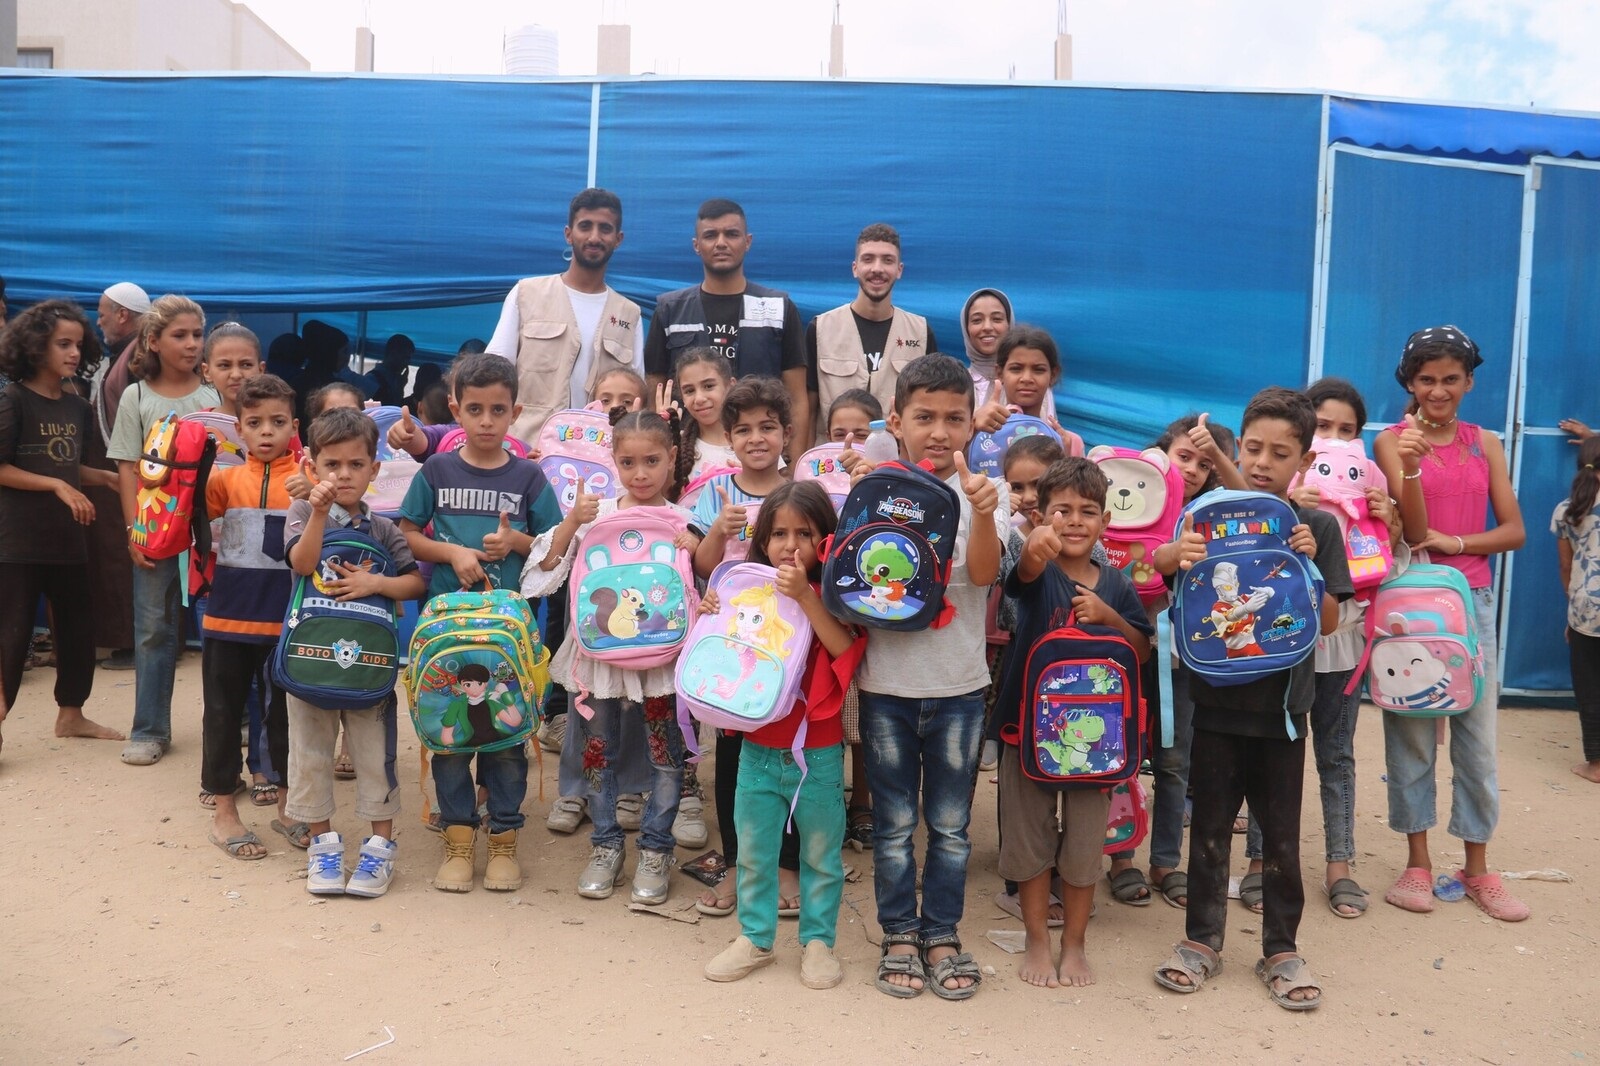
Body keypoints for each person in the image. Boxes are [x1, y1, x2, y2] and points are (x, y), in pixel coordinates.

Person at [1152, 386, 1350, 1011]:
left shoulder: (1315, 526)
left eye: (1280, 452)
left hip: (1284, 714)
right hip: (1211, 706)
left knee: (1282, 838)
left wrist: (1307, 569)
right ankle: (1201, 941)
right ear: (1240, 445)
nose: (1263, 462)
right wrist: (1174, 554)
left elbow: (1327, 623)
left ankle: (1281, 949)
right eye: (1254, 448)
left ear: (1305, 458)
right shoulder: (1205, 515)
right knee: (1208, 829)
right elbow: (1152, 572)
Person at [854, 354, 1007, 1000]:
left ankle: (941, 934)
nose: (940, 431)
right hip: (886, 687)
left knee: (949, 826)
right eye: (925, 417)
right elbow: (852, 580)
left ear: (973, 425)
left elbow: (983, 575)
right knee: (890, 825)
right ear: (896, 421)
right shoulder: (876, 493)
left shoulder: (979, 497)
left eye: (954, 418)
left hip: (959, 691)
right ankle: (897, 934)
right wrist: (865, 494)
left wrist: (985, 515)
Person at [1373, 325, 1528, 922]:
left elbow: (1512, 529)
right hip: (1412, 598)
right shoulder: (1392, 442)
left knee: (1476, 735)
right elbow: (1411, 534)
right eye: (1426, 379)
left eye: (1450, 379)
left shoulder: (1485, 441)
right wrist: (1410, 469)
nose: (1438, 390)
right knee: (1411, 726)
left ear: (1469, 381)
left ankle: (1477, 868)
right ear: (1410, 382)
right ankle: (1416, 862)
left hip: (1474, 604)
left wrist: (1459, 540)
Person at [520, 408, 701, 905]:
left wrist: (702, 544)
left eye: (651, 461)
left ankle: (656, 848)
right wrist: (572, 522)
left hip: (663, 662)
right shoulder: (594, 516)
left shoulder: (685, 521)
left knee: (668, 757)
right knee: (598, 753)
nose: (640, 473)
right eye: (628, 462)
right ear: (613, 462)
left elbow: (705, 583)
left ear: (672, 460)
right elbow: (546, 570)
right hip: (599, 660)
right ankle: (605, 844)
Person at [397, 354, 563, 892]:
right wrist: (451, 553)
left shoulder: (529, 475)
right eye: (475, 409)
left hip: (508, 637)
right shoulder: (436, 470)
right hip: (446, 632)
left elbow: (555, 548)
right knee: (449, 739)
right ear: (455, 410)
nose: (486, 420)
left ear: (515, 412)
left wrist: (516, 543)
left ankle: (505, 841)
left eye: (498, 409)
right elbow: (407, 533)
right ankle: (458, 840)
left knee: (507, 740)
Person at [703, 481, 866, 988]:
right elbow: (722, 654)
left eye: (804, 532)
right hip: (756, 748)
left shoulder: (834, 597)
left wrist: (807, 599)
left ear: (827, 540)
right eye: (778, 533)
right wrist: (712, 612)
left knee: (820, 853)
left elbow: (845, 652)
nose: (790, 544)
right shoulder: (747, 589)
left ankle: (818, 943)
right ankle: (754, 938)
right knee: (753, 851)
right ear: (762, 540)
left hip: (815, 755)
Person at [1240, 379, 1393, 919]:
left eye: (1345, 430)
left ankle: (1340, 866)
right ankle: (1258, 862)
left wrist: (1386, 517)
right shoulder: (1279, 505)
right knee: (1271, 750)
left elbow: (1379, 565)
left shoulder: (1371, 493)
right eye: (1323, 426)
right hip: (1285, 647)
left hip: (1342, 642)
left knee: (1336, 752)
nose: (1333, 438)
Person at [998, 458, 1152, 987]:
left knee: (1085, 843)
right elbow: (1020, 581)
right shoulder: (1036, 569)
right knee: (1030, 840)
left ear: (1105, 523)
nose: (1074, 521)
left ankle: (1075, 945)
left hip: (1099, 744)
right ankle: (1038, 941)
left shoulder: (1117, 583)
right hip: (1027, 733)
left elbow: (1142, 651)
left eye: (1088, 512)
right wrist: (1034, 552)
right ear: (1042, 514)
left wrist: (1110, 617)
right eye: (1061, 510)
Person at [284, 408, 425, 896]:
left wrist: (377, 582)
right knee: (310, 751)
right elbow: (301, 564)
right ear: (312, 467)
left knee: (373, 754)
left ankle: (378, 850)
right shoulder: (303, 513)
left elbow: (413, 582)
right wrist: (319, 513)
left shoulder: (385, 530)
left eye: (355, 465)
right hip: (310, 661)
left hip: (369, 667)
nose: (343, 475)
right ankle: (321, 845)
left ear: (374, 469)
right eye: (332, 465)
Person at [1104, 413, 1238, 911]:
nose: (1194, 469)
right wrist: (1166, 555)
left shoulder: (1215, 516)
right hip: (1121, 648)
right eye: (1185, 456)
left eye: (1206, 464)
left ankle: (1165, 861)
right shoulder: (1122, 506)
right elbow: (1137, 567)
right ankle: (1121, 856)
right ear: (1161, 456)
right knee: (1118, 751)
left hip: (1183, 658)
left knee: (1176, 757)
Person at [689, 377, 800, 915]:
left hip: (788, 649)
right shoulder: (715, 492)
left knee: (789, 756)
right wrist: (715, 533)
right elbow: (702, 569)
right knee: (732, 759)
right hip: (732, 651)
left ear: (786, 432)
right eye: (744, 430)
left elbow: (815, 559)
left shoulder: (800, 490)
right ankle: (735, 867)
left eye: (768, 427)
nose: (757, 438)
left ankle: (786, 866)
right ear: (727, 438)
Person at [0, 300, 123, 752]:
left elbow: (69, 466)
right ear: (35, 347)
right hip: (16, 543)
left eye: (78, 343)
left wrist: (108, 478)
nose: (74, 353)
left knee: (77, 629)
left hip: (68, 540)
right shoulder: (11, 398)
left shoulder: (76, 406)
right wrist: (55, 485)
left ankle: (71, 715)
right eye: (62, 344)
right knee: (10, 636)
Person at [106, 295, 218, 766]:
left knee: (216, 629)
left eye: (197, 334)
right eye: (180, 335)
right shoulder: (136, 396)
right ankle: (150, 730)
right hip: (154, 534)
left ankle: (229, 726)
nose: (191, 344)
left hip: (211, 534)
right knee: (153, 630)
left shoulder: (214, 396)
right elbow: (128, 469)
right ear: (153, 340)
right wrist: (136, 531)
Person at [197, 375, 301, 859]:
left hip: (287, 621)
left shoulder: (308, 480)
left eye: (277, 422)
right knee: (221, 712)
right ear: (238, 429)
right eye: (255, 423)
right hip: (228, 618)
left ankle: (287, 808)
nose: (266, 432)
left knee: (285, 716)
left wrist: (315, 493)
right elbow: (189, 521)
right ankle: (224, 812)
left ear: (293, 427)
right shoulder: (223, 479)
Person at [644, 199, 811, 460]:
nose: (721, 243)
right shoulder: (669, 311)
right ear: (696, 245)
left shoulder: (778, 309)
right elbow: (654, 393)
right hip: (689, 461)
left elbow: (798, 399)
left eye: (731, 234)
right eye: (710, 235)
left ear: (748, 241)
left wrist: (794, 465)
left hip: (763, 457)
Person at [485, 188, 644, 446]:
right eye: (585, 226)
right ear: (569, 234)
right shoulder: (526, 294)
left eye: (605, 228)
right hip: (530, 453)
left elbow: (636, 397)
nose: (594, 237)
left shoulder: (630, 315)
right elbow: (492, 376)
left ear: (618, 239)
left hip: (600, 462)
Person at [84, 282, 154, 671]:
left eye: (103, 313)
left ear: (123, 315)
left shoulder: (139, 354)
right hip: (120, 472)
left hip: (129, 474)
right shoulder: (129, 352)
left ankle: (133, 642)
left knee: (126, 553)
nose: (99, 322)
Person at [824, 390, 882, 849]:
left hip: (874, 615)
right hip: (825, 614)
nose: (848, 442)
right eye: (838, 433)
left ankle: (862, 803)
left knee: (861, 716)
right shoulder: (813, 481)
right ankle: (827, 802)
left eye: (860, 433)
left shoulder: (889, 485)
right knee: (828, 712)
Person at [807, 223, 938, 427]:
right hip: (833, 457)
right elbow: (808, 410)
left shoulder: (921, 332)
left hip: (895, 456)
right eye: (868, 259)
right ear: (855, 268)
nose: (877, 269)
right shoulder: (820, 329)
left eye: (887, 260)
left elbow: (928, 410)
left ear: (899, 270)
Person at [1555, 435, 1600, 783]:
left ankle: (1596, 765)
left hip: (1586, 610)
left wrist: (1574, 615)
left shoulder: (1567, 511)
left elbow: (1566, 569)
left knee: (1589, 689)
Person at [972, 326, 1082, 456]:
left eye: (1038, 370)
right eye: (1016, 369)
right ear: (1000, 373)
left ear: (1053, 375)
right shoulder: (982, 434)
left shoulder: (1069, 442)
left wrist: (1065, 460)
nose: (1026, 378)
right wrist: (972, 430)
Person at [958, 288, 1057, 422]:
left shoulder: (1035, 386)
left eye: (997, 319)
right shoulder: (957, 383)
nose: (987, 327)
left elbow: (1047, 434)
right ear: (966, 328)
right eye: (977, 320)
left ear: (1009, 324)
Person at [671, 347, 737, 484]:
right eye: (689, 391)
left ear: (730, 386)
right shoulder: (676, 447)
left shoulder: (754, 441)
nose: (699, 398)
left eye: (708, 386)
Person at [363, 334, 413, 407]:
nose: (407, 363)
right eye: (405, 358)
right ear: (392, 353)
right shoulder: (371, 380)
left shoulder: (396, 381)